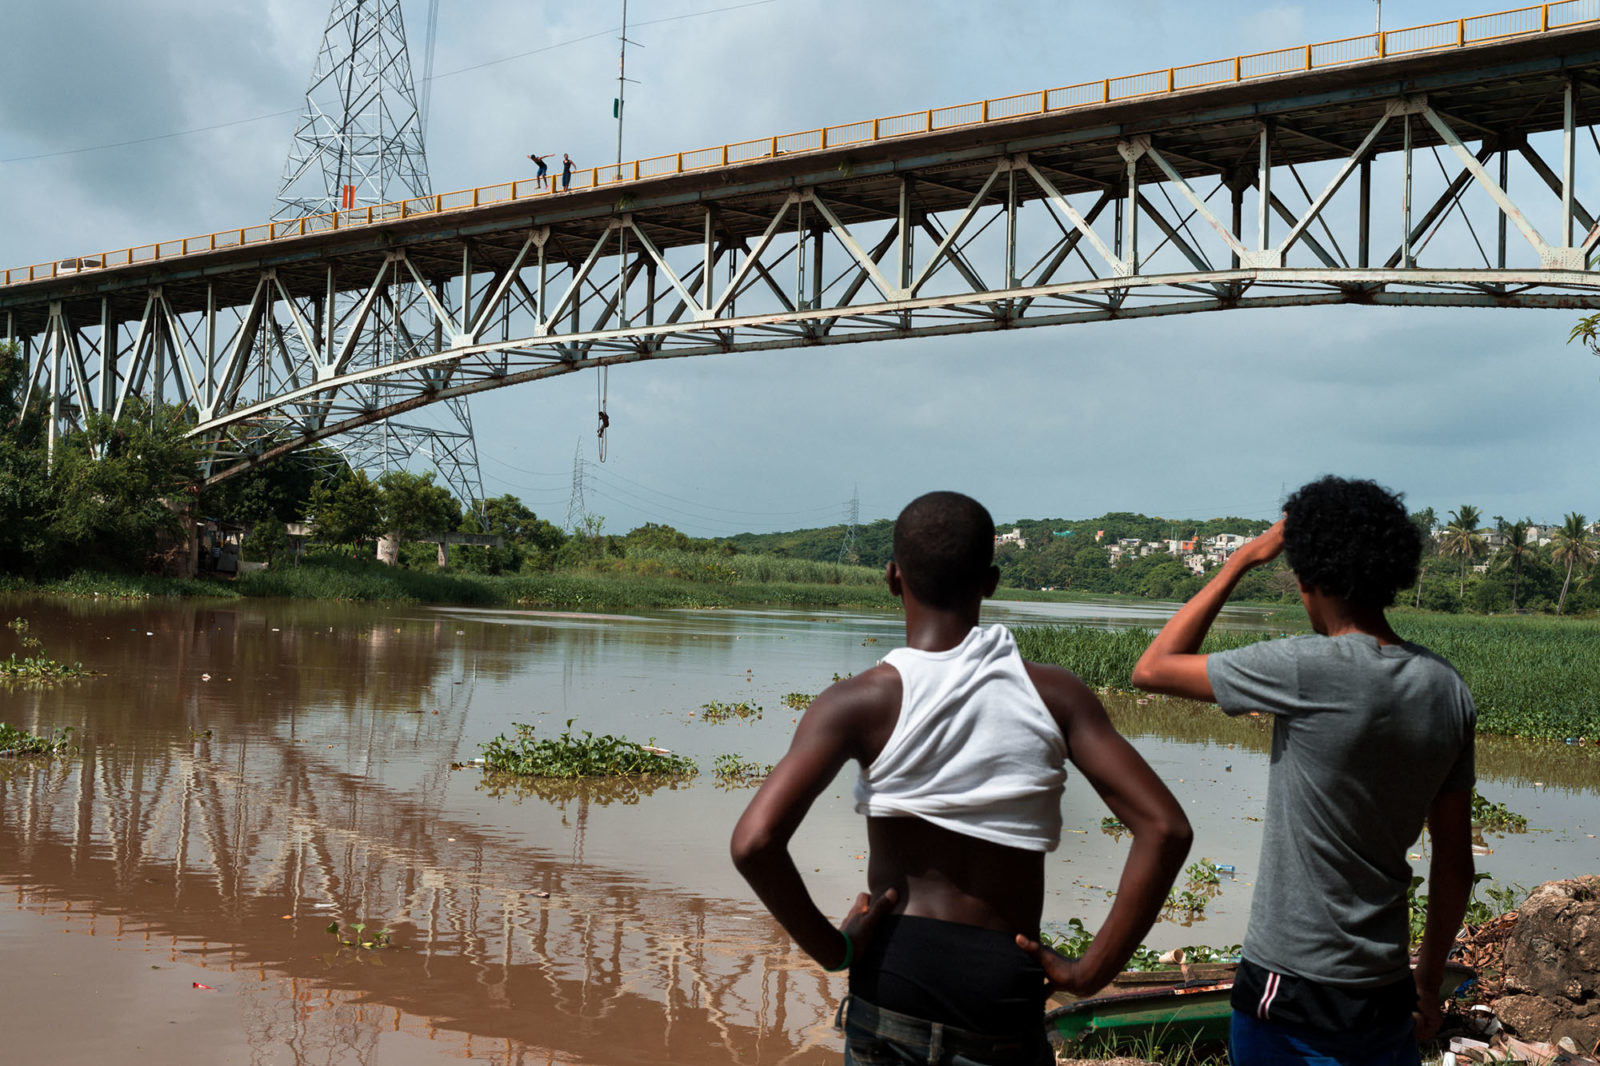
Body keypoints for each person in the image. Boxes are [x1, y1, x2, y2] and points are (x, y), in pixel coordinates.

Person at [731, 490, 1192, 1065]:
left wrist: (835, 948)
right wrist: (1091, 971)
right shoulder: (1055, 696)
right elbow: (1165, 828)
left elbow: (754, 843)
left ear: (893, 578)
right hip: (1000, 997)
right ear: (992, 582)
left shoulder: (855, 703)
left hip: (890, 984)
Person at [1131, 476, 1476, 1065]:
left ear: (1308, 579)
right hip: (1386, 985)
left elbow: (1153, 667)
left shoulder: (1303, 668)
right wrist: (1425, 978)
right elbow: (1454, 863)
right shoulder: (1446, 688)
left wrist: (1240, 559)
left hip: (1290, 986)